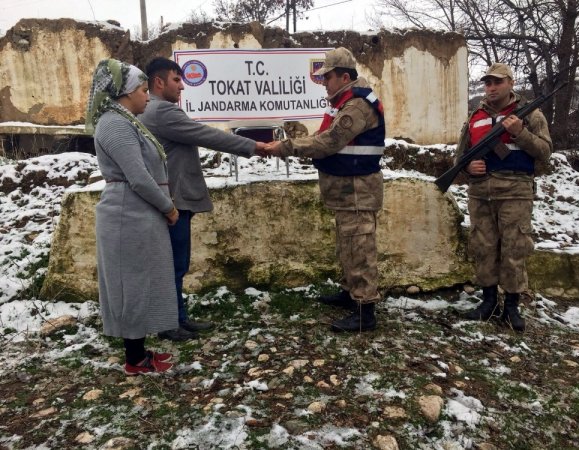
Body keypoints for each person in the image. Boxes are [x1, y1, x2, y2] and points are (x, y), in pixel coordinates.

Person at [139, 57, 268, 341]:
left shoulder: (152, 110)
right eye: (176, 80)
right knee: (173, 264)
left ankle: (177, 319)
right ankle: (169, 324)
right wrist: (254, 146)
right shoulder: (163, 112)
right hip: (174, 200)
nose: (181, 86)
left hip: (170, 198)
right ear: (159, 82)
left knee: (174, 263)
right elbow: (207, 135)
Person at [264, 47, 385, 333]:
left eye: (327, 77)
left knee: (360, 247)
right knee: (349, 246)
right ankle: (350, 293)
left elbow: (330, 141)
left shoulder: (357, 105)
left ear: (344, 76)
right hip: (346, 190)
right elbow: (322, 136)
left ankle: (365, 311)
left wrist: (287, 147)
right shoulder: (342, 101)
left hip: (357, 190)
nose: (323, 82)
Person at [86, 59, 179, 374]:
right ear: (126, 93)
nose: (148, 96)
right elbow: (138, 177)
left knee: (139, 281)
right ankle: (135, 359)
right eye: (143, 90)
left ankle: (137, 352)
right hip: (128, 212)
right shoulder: (114, 123)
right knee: (132, 284)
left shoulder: (125, 120)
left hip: (136, 211)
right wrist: (168, 207)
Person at [456, 62, 552, 332]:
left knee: (514, 248)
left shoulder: (530, 113)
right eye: (487, 83)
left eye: (497, 82)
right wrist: (467, 167)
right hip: (481, 193)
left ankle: (511, 307)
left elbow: (545, 151)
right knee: (483, 246)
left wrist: (520, 133)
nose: (491, 87)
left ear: (510, 83)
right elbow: (460, 156)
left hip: (515, 192)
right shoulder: (474, 117)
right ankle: (488, 302)